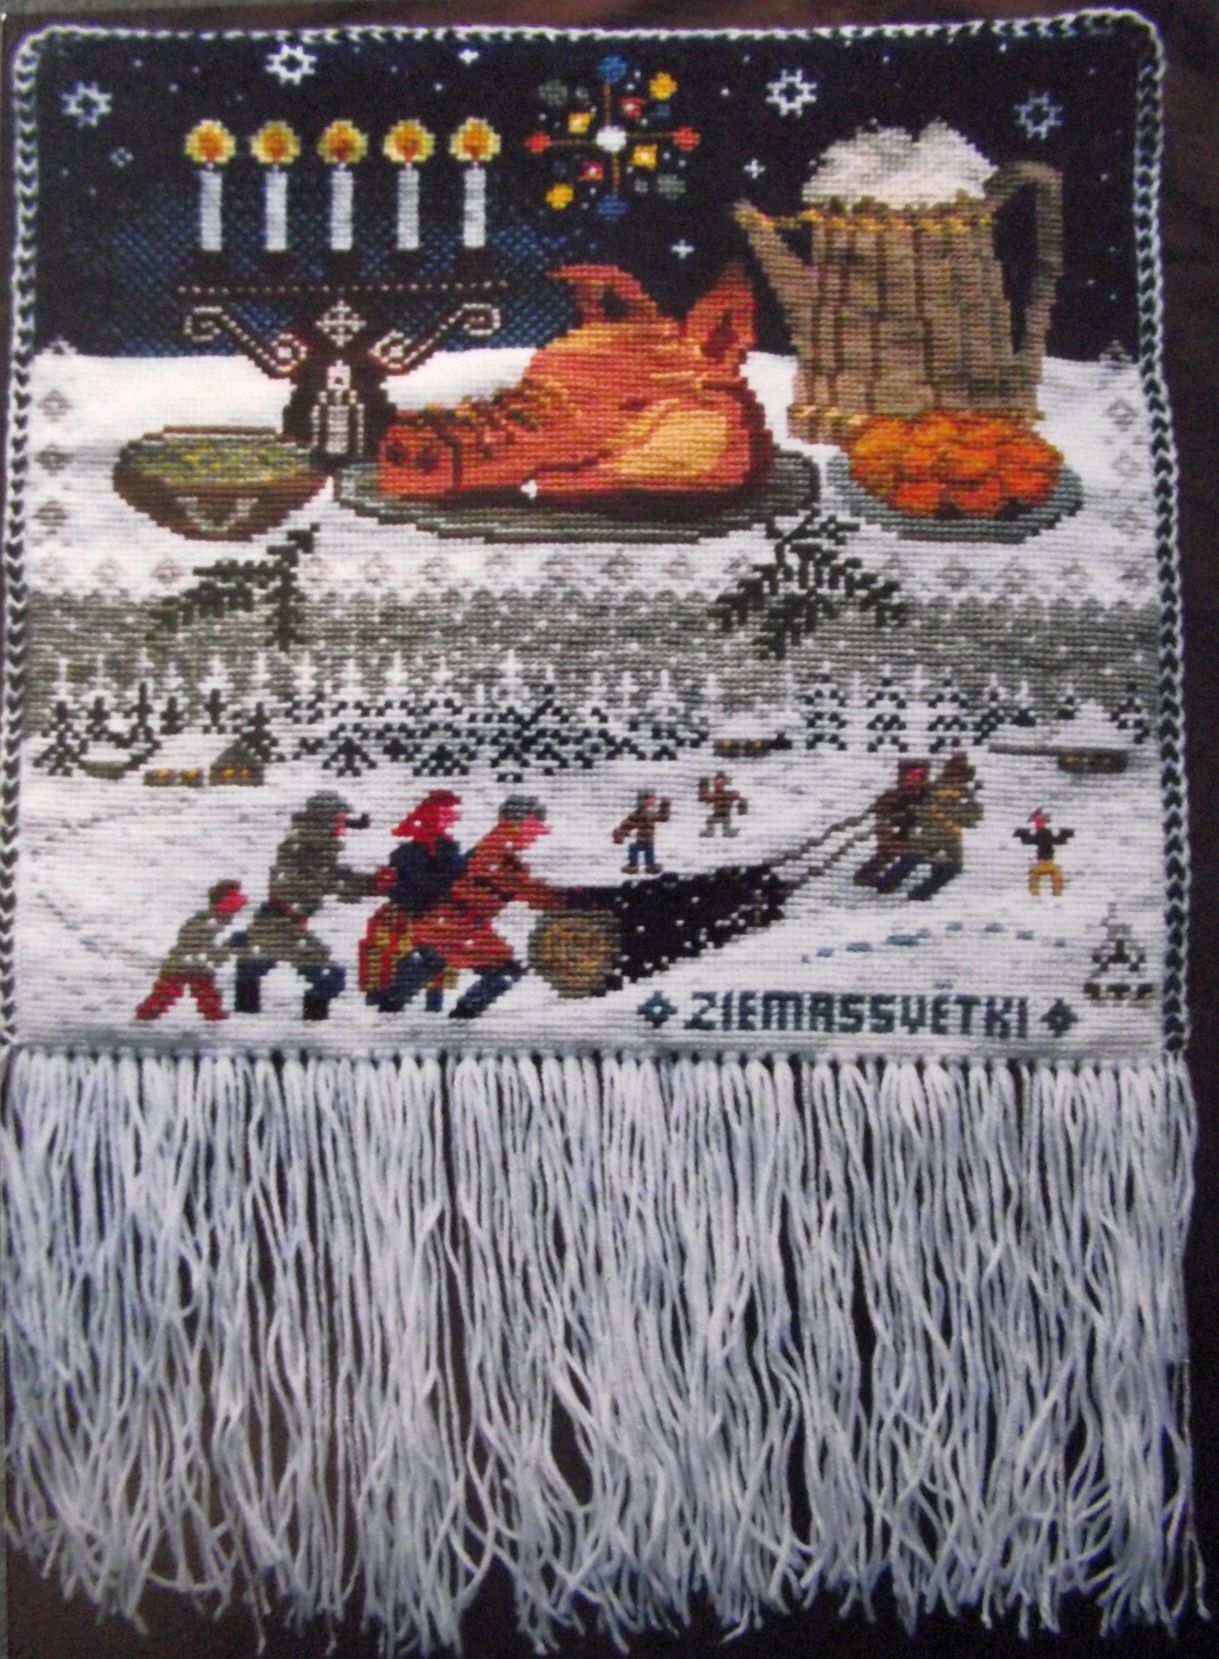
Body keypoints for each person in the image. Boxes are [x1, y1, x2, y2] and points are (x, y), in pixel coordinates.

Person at [393, 796, 567, 1020]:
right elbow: (525, 889)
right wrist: (573, 899)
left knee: (432, 959)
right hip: (457, 924)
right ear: (517, 821)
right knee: (505, 970)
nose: (537, 834)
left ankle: (391, 1003)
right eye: (534, 826)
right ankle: (461, 1017)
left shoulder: (499, 846)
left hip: (448, 921)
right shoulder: (500, 850)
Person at [232, 791, 376, 1021]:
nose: (343, 826)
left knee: (255, 963)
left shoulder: (311, 842)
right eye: (339, 819)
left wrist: (369, 883)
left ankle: (245, 1013)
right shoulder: (310, 847)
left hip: (276, 922)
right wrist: (370, 885)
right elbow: (325, 879)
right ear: (326, 819)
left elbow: (329, 875)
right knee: (329, 977)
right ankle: (312, 1025)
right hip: (281, 926)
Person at [360, 790, 467, 1013]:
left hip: (422, 914)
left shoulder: (437, 849)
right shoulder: (419, 853)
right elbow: (431, 884)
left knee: (430, 960)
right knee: (429, 959)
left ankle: (407, 1003)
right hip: (418, 915)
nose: (454, 817)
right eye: (448, 812)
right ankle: (395, 1002)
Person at [135, 878, 247, 1022]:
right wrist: (214, 952)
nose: (232, 915)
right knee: (169, 991)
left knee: (204, 990)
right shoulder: (207, 920)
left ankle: (213, 1016)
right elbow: (189, 938)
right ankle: (145, 1016)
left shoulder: (214, 920)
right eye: (232, 910)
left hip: (196, 963)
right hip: (182, 963)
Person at [905, 751, 983, 901]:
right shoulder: (951, 790)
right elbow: (969, 818)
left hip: (940, 832)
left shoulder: (946, 787)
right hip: (944, 833)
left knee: (920, 857)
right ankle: (919, 894)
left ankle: (915, 891)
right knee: (952, 865)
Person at [853, 758, 930, 891]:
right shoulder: (892, 797)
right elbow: (880, 815)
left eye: (918, 776)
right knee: (891, 850)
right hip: (897, 832)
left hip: (924, 833)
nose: (914, 780)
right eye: (911, 776)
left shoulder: (929, 796)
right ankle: (874, 879)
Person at [1014, 809, 1074, 896]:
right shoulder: (1044, 832)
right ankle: (1055, 893)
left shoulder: (1043, 833)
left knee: (1035, 874)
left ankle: (1036, 894)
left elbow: (1031, 840)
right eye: (1036, 822)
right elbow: (1057, 840)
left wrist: (1023, 835)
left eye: (1039, 822)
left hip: (1044, 862)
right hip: (1047, 862)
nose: (1037, 825)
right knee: (1055, 874)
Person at [613, 787, 671, 875]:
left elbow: (664, 818)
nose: (652, 800)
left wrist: (665, 805)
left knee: (649, 852)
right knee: (634, 848)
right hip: (639, 839)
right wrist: (620, 834)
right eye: (649, 798)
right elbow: (626, 825)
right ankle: (633, 865)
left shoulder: (651, 814)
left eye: (653, 798)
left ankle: (649, 866)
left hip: (649, 840)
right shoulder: (637, 814)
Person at [698, 771, 747, 838]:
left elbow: (738, 797)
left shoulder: (728, 793)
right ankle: (709, 832)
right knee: (710, 820)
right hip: (716, 814)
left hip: (726, 815)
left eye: (721, 784)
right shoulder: (714, 794)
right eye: (717, 784)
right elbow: (705, 799)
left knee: (726, 823)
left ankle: (727, 832)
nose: (719, 786)